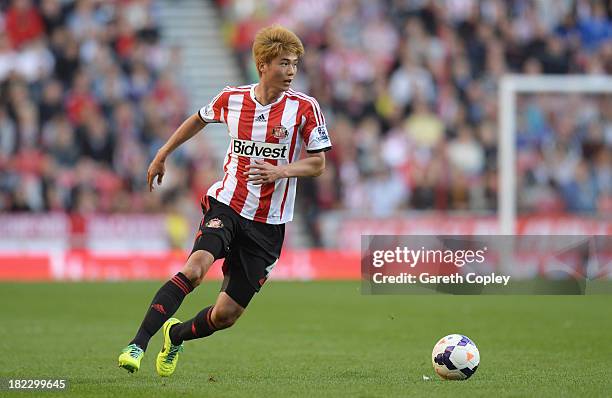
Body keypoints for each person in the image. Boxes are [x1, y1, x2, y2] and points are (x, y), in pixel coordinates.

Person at [118, 24, 332, 376]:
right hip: (227, 204)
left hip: (269, 224)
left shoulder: (305, 108)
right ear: (263, 65)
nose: (291, 71)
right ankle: (137, 344)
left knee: (225, 316)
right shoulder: (232, 98)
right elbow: (198, 120)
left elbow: (318, 163)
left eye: (294, 64)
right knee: (195, 268)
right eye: (284, 63)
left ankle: (177, 335)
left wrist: (281, 171)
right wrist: (163, 153)